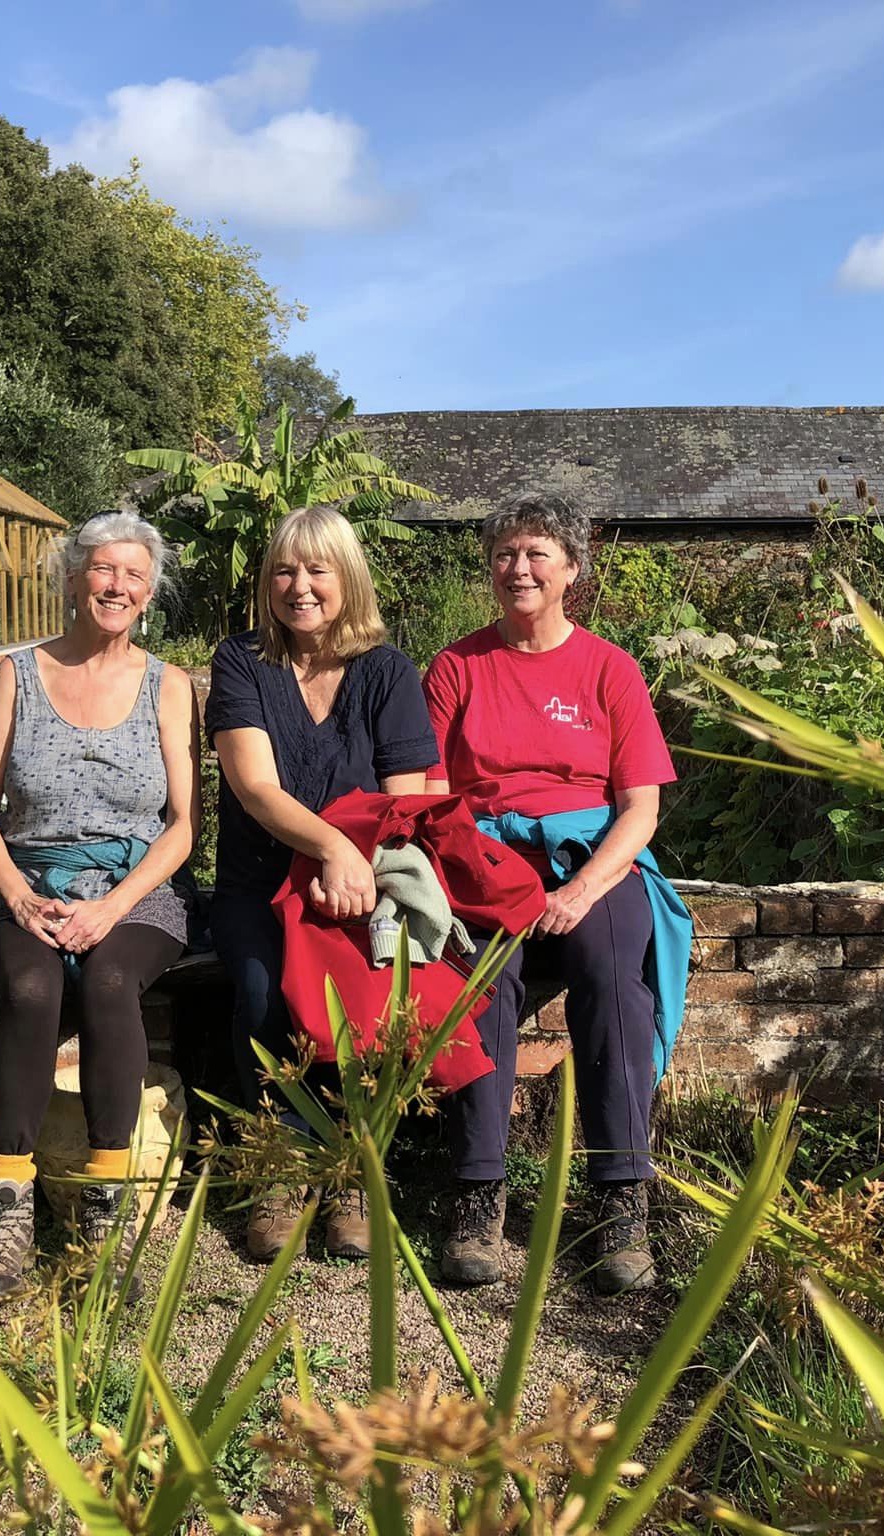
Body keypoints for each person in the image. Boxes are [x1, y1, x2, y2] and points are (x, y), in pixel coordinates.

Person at [423, 493, 688, 1295]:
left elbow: (640, 808)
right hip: (484, 859)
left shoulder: (610, 668)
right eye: (505, 553)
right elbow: (431, 792)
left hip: (590, 859)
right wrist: (491, 877)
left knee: (614, 981)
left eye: (537, 552)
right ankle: (478, 1189)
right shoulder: (457, 667)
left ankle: (621, 1197)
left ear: (572, 568)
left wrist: (577, 892)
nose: (519, 568)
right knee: (481, 977)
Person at [0, 511, 199, 1309]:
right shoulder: (17, 674)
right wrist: (18, 895)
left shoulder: (168, 686)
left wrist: (113, 908)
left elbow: (182, 826)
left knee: (108, 981)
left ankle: (106, 1207)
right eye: (103, 569)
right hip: (34, 885)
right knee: (29, 989)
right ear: (73, 579)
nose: (117, 586)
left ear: (149, 594)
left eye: (134, 575)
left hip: (137, 892)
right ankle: (7, 1205)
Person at [208, 505, 440, 1263]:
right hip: (260, 880)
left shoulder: (388, 672)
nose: (299, 586)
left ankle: (350, 1169)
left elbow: (403, 802)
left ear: (349, 579)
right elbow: (255, 787)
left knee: (361, 1000)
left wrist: (351, 865)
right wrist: (330, 847)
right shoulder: (241, 660)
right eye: (284, 570)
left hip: (362, 883)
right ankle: (278, 1166)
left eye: (317, 570)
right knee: (261, 992)